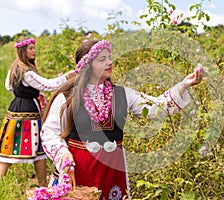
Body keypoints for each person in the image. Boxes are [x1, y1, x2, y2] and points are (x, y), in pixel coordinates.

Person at [41, 39, 204, 199]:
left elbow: (155, 108)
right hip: (79, 169)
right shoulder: (67, 98)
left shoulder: (123, 94)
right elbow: (49, 132)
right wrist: (63, 155)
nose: (110, 62)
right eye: (102, 59)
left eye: (109, 57)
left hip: (112, 171)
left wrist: (183, 85)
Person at [0, 37, 75, 186]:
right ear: (23, 51)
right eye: (30, 48)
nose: (34, 51)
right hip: (29, 112)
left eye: (34, 48)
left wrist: (23, 93)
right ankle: (42, 185)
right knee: (38, 151)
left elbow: (8, 87)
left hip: (15, 109)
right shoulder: (27, 72)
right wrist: (67, 76)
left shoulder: (14, 68)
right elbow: (48, 85)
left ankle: (6, 183)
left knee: (7, 152)